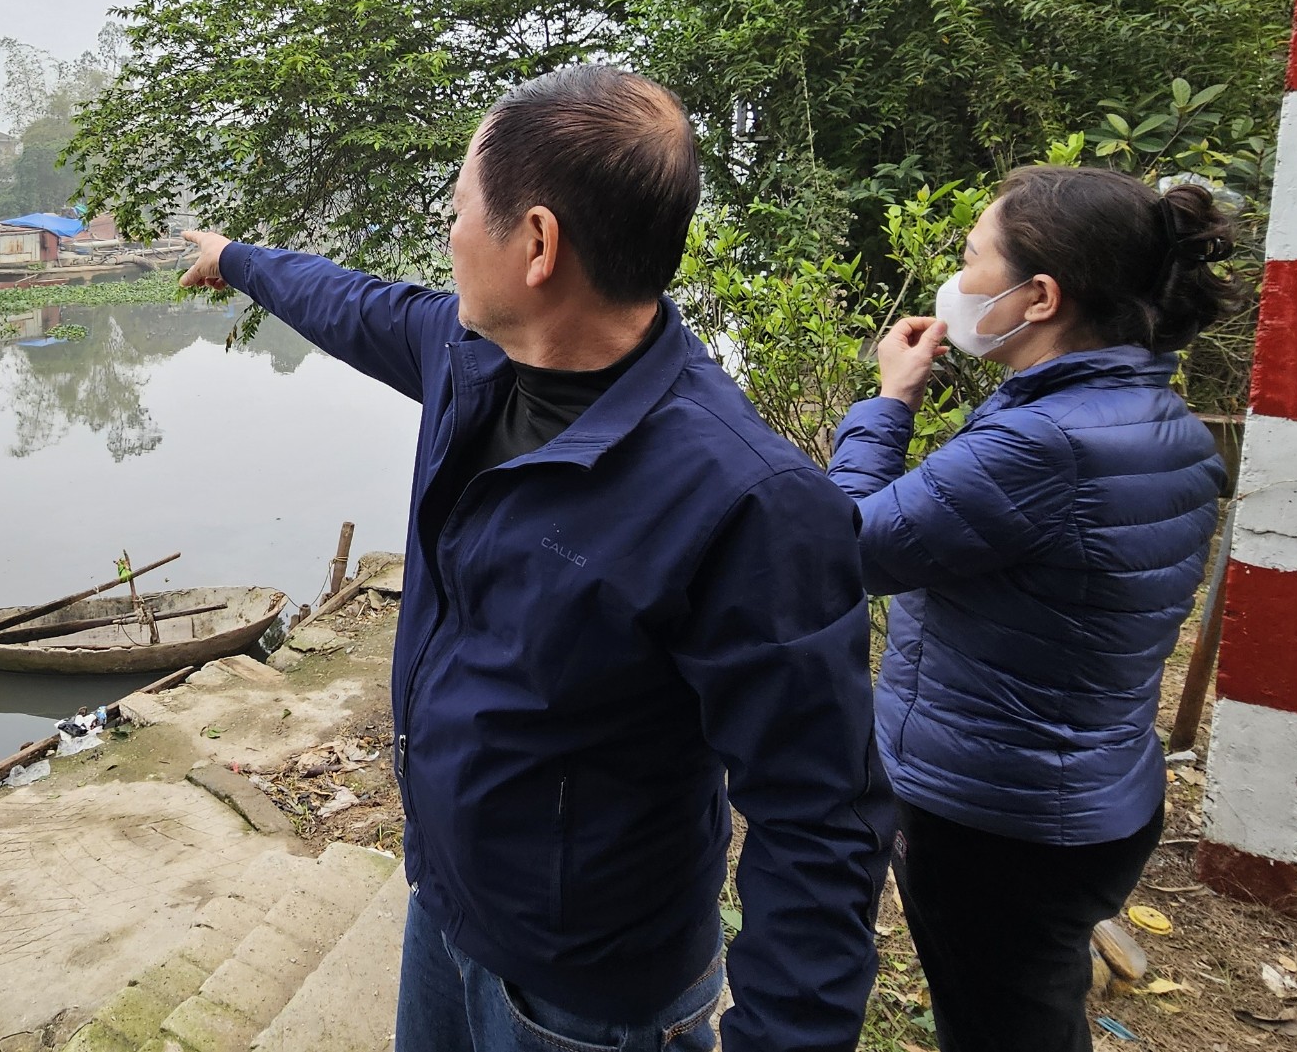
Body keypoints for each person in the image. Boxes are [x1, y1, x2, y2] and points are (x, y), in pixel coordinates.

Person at [181, 65, 890, 1052]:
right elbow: (345, 301)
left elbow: (818, 826)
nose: (448, 232)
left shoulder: (746, 502)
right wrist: (236, 257)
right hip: (447, 904)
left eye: (460, 207)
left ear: (539, 244)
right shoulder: (468, 356)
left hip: (590, 998)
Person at [825, 166, 1236, 1052]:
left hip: (999, 820)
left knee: (1004, 1027)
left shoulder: (1041, 444)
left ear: (1039, 296)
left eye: (972, 257)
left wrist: (888, 400)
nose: (956, 279)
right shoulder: (1161, 423)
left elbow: (839, 545)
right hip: (1096, 791)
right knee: (1024, 1012)